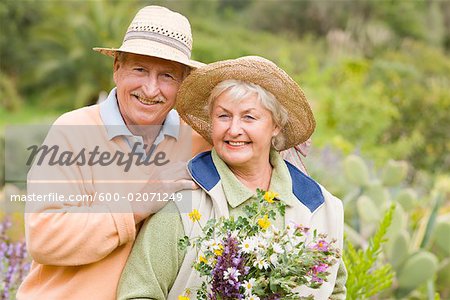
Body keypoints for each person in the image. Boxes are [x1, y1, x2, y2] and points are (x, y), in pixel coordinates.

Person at [17, 6, 210, 300]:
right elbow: (44, 238)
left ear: (183, 83)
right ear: (117, 68)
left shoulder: (197, 139)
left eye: (167, 76)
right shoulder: (72, 131)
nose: (150, 88)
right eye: (140, 69)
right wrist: (137, 205)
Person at [117, 56, 347, 299]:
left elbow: (334, 289)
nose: (234, 129)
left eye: (249, 117)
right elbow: (138, 292)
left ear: (276, 126)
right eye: (224, 116)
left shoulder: (319, 206)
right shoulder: (184, 198)